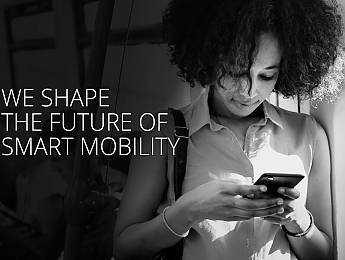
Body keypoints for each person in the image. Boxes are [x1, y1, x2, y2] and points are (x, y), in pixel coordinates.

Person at [114, 0, 343, 259]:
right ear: (209, 60)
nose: (249, 91)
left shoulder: (309, 135)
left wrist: (297, 220)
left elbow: (324, 255)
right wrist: (188, 210)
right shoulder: (164, 133)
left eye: (267, 76)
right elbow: (124, 249)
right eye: (235, 72)